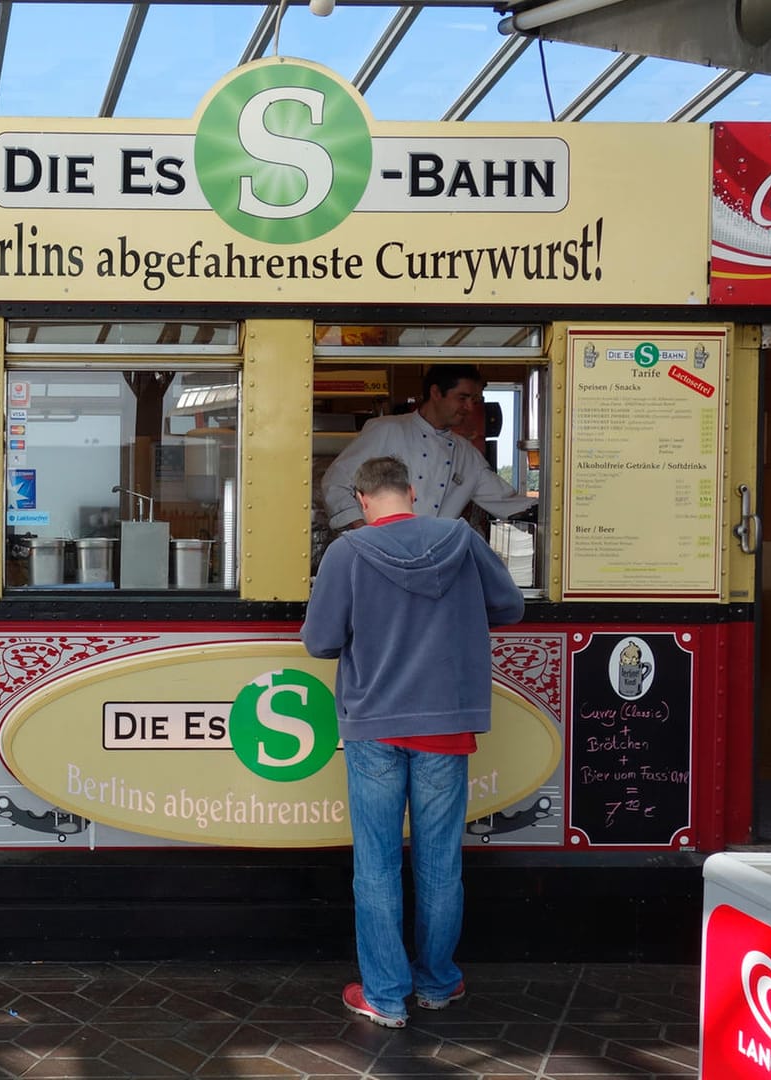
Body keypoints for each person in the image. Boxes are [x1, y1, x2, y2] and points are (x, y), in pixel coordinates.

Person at [300, 456, 525, 1028]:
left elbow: (321, 642)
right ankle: (437, 983)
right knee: (440, 861)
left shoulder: (346, 554)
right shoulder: (459, 538)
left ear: (361, 497)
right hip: (446, 724)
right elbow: (510, 607)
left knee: (375, 865)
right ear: (412, 490)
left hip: (375, 723)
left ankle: (385, 995)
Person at [321, 364, 535, 532]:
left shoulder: (466, 454)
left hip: (433, 561)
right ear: (436, 393)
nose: (470, 408)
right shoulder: (386, 430)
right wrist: (363, 531)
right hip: (380, 555)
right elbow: (335, 482)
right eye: (463, 398)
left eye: (475, 400)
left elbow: (507, 502)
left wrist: (556, 511)